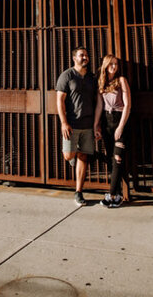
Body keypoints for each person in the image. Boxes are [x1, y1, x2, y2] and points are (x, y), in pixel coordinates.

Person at [56, 46, 97, 206]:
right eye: (82, 55)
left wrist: (96, 124)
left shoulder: (92, 78)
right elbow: (59, 100)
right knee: (69, 155)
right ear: (74, 58)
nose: (85, 58)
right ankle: (73, 158)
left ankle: (79, 192)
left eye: (86, 55)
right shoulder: (67, 76)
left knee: (83, 156)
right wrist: (64, 122)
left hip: (88, 124)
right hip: (71, 124)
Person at [93, 53, 131, 207]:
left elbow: (128, 105)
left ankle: (112, 195)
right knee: (112, 160)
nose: (114, 67)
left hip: (120, 120)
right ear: (105, 66)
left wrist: (121, 127)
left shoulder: (121, 80)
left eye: (116, 64)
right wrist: (96, 124)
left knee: (117, 158)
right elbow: (99, 106)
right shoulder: (101, 83)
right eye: (111, 64)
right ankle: (118, 194)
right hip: (107, 122)